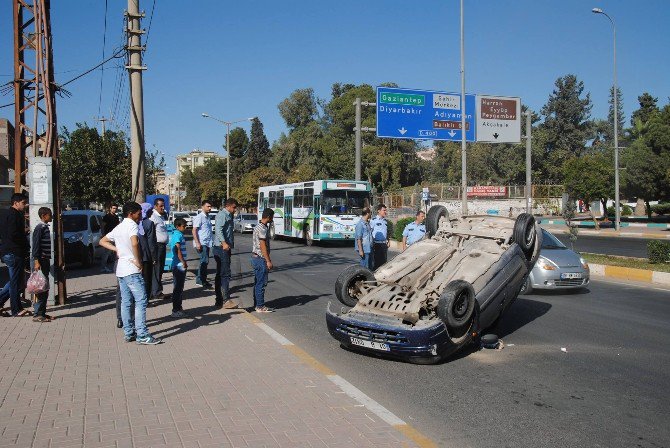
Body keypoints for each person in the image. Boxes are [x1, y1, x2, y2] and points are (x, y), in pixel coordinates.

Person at [99, 202, 162, 345]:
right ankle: (142, 334)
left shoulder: (119, 226)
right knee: (141, 300)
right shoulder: (132, 225)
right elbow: (134, 243)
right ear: (131, 213)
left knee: (126, 301)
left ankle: (129, 332)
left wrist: (117, 251)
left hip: (121, 270)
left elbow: (102, 241)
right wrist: (138, 261)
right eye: (139, 214)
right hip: (131, 270)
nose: (141, 216)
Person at [0, 193, 30, 317]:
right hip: (14, 252)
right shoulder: (15, 215)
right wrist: (24, 236)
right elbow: (14, 234)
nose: (25, 205)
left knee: (14, 280)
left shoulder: (6, 214)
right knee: (15, 283)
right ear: (16, 202)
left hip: (8, 251)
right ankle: (16, 309)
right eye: (23, 203)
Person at [213, 198, 239, 309]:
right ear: (228, 206)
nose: (235, 210)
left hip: (225, 247)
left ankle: (219, 300)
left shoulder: (229, 215)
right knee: (225, 274)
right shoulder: (222, 215)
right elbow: (218, 230)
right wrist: (224, 243)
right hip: (221, 247)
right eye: (233, 207)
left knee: (221, 274)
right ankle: (225, 300)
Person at [31, 207, 53, 322]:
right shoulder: (39, 228)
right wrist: (36, 261)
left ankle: (42, 313)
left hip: (44, 260)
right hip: (41, 260)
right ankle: (38, 314)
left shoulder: (44, 227)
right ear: (44, 216)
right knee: (41, 288)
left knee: (44, 287)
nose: (52, 217)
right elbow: (35, 245)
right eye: (50, 215)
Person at [251, 208, 275, 313]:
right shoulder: (262, 229)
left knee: (257, 283)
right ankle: (260, 306)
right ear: (269, 217)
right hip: (260, 259)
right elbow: (262, 246)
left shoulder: (259, 226)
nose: (272, 219)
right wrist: (268, 261)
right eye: (272, 217)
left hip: (256, 258)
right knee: (261, 283)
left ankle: (257, 304)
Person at [150, 198, 169, 300]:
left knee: (160, 269)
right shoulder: (153, 217)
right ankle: (156, 292)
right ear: (155, 206)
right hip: (157, 246)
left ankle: (157, 290)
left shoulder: (160, 217)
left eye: (163, 205)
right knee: (156, 269)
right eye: (161, 206)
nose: (163, 207)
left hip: (162, 246)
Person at [169, 218, 188, 318]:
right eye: (183, 226)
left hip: (179, 265)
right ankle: (175, 310)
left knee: (180, 288)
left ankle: (179, 308)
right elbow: (177, 249)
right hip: (178, 265)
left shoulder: (179, 234)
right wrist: (183, 262)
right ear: (177, 226)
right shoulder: (177, 235)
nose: (185, 228)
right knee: (178, 288)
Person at [138, 203, 158, 302]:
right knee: (147, 279)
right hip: (146, 256)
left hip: (136, 255)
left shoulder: (136, 222)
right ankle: (145, 300)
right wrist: (154, 257)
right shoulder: (149, 223)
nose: (152, 212)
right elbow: (151, 242)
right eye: (150, 210)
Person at [192, 199, 213, 288]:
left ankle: (203, 280)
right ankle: (200, 280)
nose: (210, 208)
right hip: (201, 242)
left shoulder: (207, 217)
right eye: (208, 206)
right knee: (204, 261)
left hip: (207, 243)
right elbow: (194, 230)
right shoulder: (199, 217)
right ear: (202, 207)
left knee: (205, 261)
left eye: (210, 206)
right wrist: (197, 243)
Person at [100, 204, 120, 273]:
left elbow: (118, 226)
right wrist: (103, 235)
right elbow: (102, 226)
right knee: (106, 253)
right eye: (113, 208)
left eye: (116, 208)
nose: (115, 209)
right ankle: (103, 267)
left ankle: (115, 267)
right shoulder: (107, 216)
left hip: (115, 237)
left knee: (116, 253)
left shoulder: (116, 217)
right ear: (110, 209)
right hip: (108, 237)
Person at [370, 204, 390, 270]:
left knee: (384, 263)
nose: (385, 212)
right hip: (377, 244)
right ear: (379, 211)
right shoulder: (373, 220)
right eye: (384, 210)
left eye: (385, 210)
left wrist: (388, 240)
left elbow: (386, 232)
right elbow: (370, 232)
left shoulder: (385, 221)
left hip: (384, 244)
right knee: (377, 263)